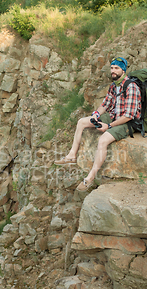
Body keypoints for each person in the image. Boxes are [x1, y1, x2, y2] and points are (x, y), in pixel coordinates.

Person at [54, 57, 141, 191]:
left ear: (123, 70)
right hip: (114, 116)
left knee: (103, 140)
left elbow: (129, 116)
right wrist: (96, 114)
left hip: (127, 123)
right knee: (82, 122)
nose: (113, 71)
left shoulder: (131, 87)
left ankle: (90, 178)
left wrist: (109, 126)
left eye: (116, 68)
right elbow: (105, 104)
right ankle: (71, 155)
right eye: (112, 68)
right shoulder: (114, 86)